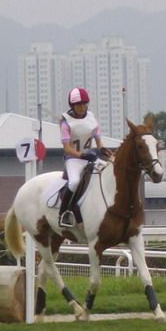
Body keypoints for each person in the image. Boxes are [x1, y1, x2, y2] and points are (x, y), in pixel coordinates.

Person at [58, 87, 109, 228]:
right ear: (72, 106)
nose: (82, 107)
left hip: (90, 157)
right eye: (78, 104)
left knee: (107, 174)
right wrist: (82, 154)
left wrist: (107, 153)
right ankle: (64, 213)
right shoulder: (65, 122)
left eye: (84, 104)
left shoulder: (92, 119)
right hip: (73, 159)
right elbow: (67, 148)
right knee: (74, 182)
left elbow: (99, 144)